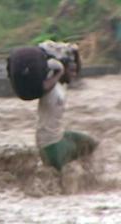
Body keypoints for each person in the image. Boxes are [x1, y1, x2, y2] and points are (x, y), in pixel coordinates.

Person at [36, 40, 97, 171]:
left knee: (89, 144)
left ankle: (89, 179)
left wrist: (75, 53)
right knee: (59, 179)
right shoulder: (51, 86)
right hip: (49, 144)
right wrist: (59, 72)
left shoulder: (62, 84)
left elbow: (78, 70)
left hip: (60, 136)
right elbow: (43, 87)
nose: (74, 74)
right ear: (63, 71)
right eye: (71, 71)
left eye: (74, 71)